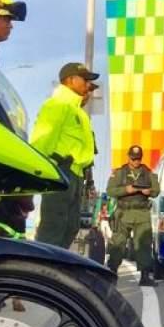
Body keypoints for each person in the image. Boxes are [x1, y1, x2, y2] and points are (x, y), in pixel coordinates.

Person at [31, 62, 97, 249]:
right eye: (85, 80)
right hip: (60, 172)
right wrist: (37, 174)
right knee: (53, 228)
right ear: (70, 80)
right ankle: (42, 271)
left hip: (75, 175)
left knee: (70, 227)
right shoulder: (57, 104)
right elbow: (41, 140)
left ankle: (54, 270)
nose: (88, 85)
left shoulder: (77, 110)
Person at [106, 144, 160, 286]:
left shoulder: (148, 172)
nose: (136, 161)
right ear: (129, 157)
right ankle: (111, 272)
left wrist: (149, 192)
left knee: (144, 244)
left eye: (138, 159)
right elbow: (110, 190)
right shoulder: (120, 173)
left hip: (142, 212)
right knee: (118, 243)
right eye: (133, 158)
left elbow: (157, 190)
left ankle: (145, 275)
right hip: (124, 212)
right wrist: (126, 190)